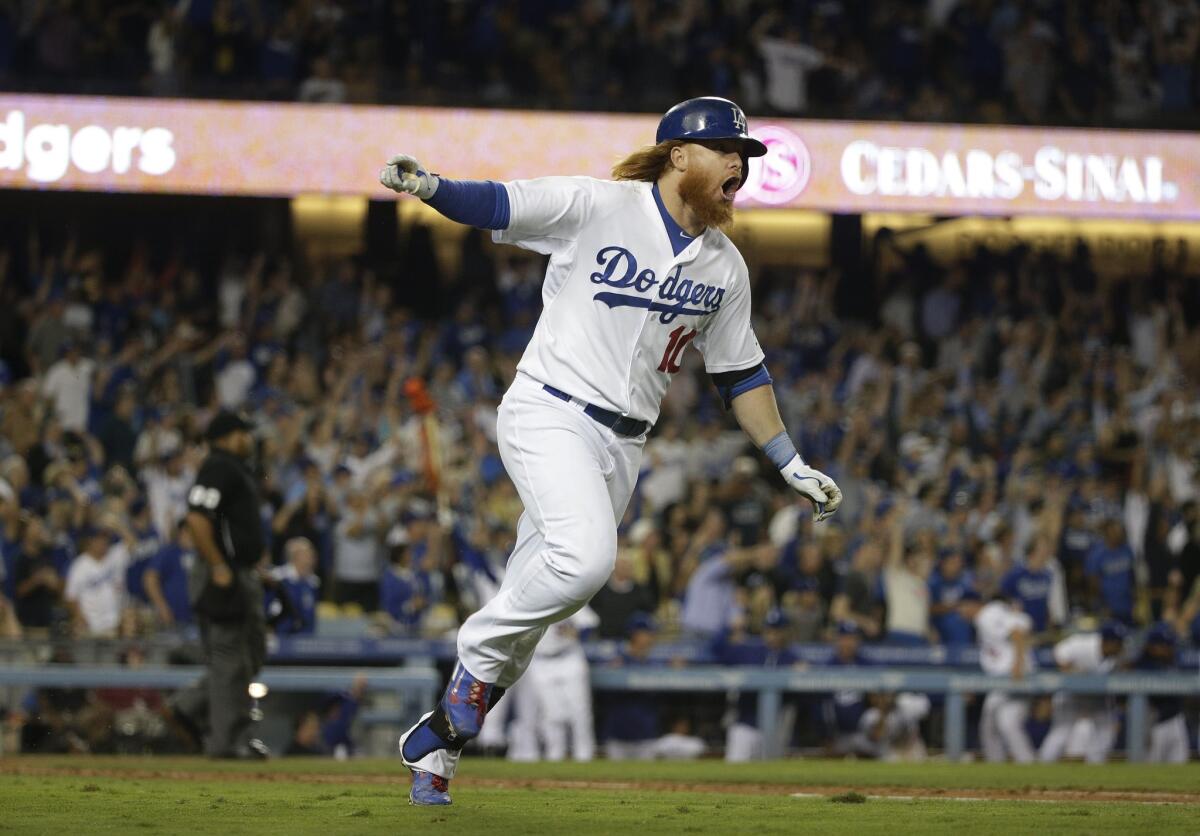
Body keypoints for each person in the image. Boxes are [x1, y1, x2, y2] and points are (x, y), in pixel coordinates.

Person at [381, 96, 843, 805]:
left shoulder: (725, 267)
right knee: (585, 562)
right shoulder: (600, 206)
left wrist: (790, 461)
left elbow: (740, 372)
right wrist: (430, 187)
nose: (739, 166)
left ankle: (438, 751)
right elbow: (500, 204)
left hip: (625, 445)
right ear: (679, 154)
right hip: (550, 412)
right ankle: (471, 663)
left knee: (539, 605)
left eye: (745, 156)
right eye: (727, 151)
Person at [167, 410, 269, 760]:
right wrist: (218, 565)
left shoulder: (233, 468)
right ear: (227, 436)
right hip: (222, 574)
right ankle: (226, 743)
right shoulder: (219, 465)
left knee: (249, 655)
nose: (250, 439)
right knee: (229, 659)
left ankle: (188, 706)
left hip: (239, 571)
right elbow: (196, 518)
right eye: (244, 432)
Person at [505, 605, 598, 763]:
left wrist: (575, 632)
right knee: (552, 714)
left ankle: (585, 755)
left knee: (580, 712)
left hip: (569, 658)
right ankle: (555, 755)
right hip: (539, 661)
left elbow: (590, 624)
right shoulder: (528, 603)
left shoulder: (566, 595)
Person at [712, 608, 799, 762]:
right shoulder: (749, 651)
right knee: (733, 772)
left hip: (774, 729)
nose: (773, 634)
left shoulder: (791, 658)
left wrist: (800, 672)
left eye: (777, 630)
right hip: (745, 725)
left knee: (772, 777)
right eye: (769, 630)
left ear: (785, 632)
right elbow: (717, 649)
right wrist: (730, 627)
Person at [1038, 621, 1126, 764]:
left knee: (1106, 730)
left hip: (1098, 697)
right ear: (1108, 642)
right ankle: (1043, 765)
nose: (1121, 647)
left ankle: (1095, 767)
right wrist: (1071, 672)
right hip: (1071, 695)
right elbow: (1059, 651)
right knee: (1061, 732)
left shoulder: (1117, 657)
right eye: (1118, 643)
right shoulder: (1085, 644)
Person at [975, 594, 1036, 763]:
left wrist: (1018, 663)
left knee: (1006, 723)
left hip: (1012, 676)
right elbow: (1022, 625)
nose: (961, 611)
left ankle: (1025, 763)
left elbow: (1016, 631)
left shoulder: (987, 613)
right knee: (994, 724)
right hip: (1008, 677)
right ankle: (1000, 764)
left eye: (963, 606)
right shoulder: (998, 613)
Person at [1136, 622, 1189, 763]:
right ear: (1152, 646)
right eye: (1164, 646)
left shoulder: (1175, 662)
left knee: (1179, 765)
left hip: (1176, 719)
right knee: (1151, 765)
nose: (1169, 649)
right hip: (1153, 723)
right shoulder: (1142, 666)